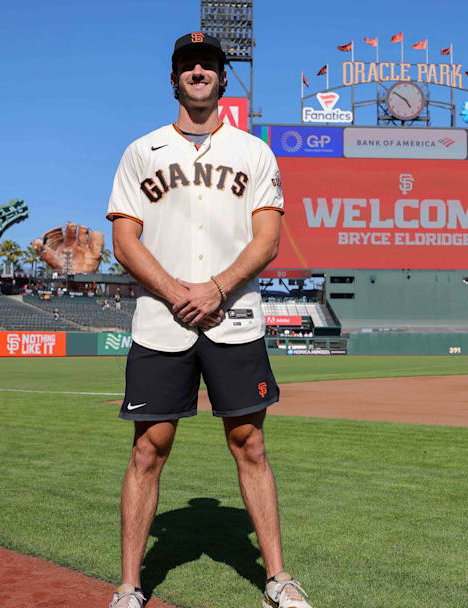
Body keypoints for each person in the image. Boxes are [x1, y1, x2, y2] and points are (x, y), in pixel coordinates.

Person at [103, 32, 310, 608]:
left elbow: (267, 239)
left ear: (222, 78)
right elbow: (125, 240)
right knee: (149, 448)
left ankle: (277, 578)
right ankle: (128, 586)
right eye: (188, 65)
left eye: (209, 65)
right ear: (174, 79)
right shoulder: (141, 151)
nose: (198, 72)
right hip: (160, 320)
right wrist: (177, 293)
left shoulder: (253, 151)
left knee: (250, 444)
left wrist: (215, 289)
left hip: (235, 316)